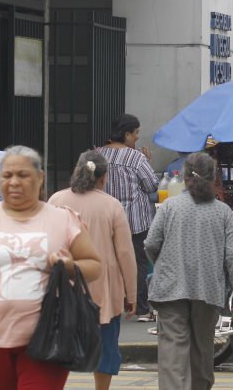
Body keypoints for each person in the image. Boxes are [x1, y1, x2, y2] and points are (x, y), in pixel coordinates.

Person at [0, 146, 103, 390]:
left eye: (23, 175)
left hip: (48, 338)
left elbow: (94, 266)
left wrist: (70, 266)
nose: (14, 182)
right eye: (7, 176)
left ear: (39, 178)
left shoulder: (63, 219)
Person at [146, 153, 233, 390]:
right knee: (203, 349)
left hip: (170, 288)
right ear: (214, 178)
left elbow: (150, 243)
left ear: (184, 177)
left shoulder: (169, 206)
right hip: (208, 289)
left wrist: (163, 264)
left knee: (173, 350)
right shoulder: (222, 212)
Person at [49, 150, 138, 390]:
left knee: (61, 344)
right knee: (106, 347)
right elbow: (125, 254)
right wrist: (132, 294)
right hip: (104, 289)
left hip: (64, 286)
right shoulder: (112, 206)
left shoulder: (56, 200)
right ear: (104, 177)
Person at [99, 113, 159, 321]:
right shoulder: (137, 158)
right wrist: (148, 163)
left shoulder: (98, 156)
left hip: (106, 218)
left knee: (110, 261)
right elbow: (152, 185)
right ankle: (142, 309)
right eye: (136, 134)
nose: (137, 138)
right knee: (138, 263)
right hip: (135, 219)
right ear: (126, 134)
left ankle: (112, 304)